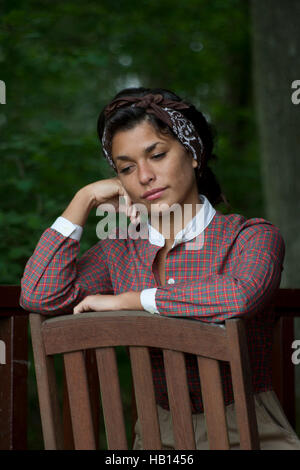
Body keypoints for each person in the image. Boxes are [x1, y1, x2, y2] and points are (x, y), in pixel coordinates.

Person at [20, 87, 300, 450]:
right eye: (127, 168)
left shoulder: (251, 237)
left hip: (248, 425)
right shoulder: (119, 248)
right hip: (159, 433)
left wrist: (128, 301)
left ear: (194, 154)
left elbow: (238, 294)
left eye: (158, 155)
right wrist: (84, 198)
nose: (145, 176)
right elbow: (38, 294)